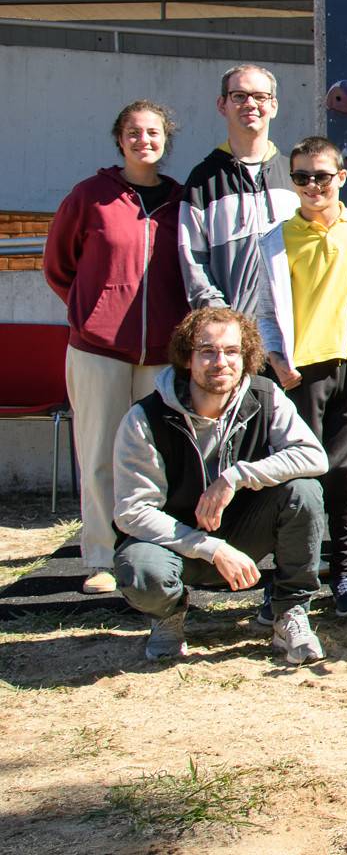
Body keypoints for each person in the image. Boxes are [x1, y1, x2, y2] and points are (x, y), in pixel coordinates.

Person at [112, 308, 327, 664]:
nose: (220, 362)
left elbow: (313, 457)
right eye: (207, 351)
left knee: (304, 492)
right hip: (175, 545)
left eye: (231, 351)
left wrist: (236, 476)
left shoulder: (266, 396)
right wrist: (210, 547)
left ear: (247, 356)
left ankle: (289, 612)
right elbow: (132, 511)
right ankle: (167, 617)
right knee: (141, 571)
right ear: (187, 357)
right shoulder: (145, 418)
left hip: (243, 532)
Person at [45, 101, 192, 595]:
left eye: (153, 132)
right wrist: (94, 312)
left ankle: (154, 548)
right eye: (133, 131)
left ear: (166, 139)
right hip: (98, 350)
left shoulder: (180, 201)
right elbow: (59, 266)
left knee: (158, 455)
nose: (143, 140)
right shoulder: (89, 197)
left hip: (162, 354)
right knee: (101, 451)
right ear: (119, 138)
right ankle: (101, 556)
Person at [258, 136, 347, 617]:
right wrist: (276, 359)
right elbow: (264, 312)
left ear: (341, 177)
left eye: (322, 175)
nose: (312, 185)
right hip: (299, 376)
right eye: (301, 177)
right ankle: (288, 581)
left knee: (343, 476)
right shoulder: (275, 238)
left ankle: (343, 573)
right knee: (297, 479)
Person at [177, 64, 298, 318]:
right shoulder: (202, 181)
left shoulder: (296, 175)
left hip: (293, 337)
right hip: (233, 342)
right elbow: (194, 264)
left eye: (260, 96)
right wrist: (225, 322)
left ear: (273, 106)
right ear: (222, 105)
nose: (250, 103)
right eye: (239, 96)